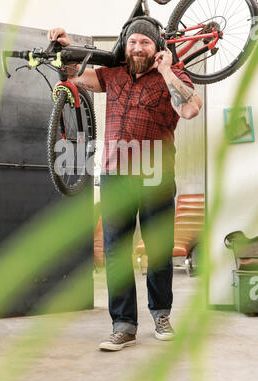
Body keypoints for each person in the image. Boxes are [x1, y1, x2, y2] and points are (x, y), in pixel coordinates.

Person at [48, 18, 202, 351]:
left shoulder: (171, 76)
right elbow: (74, 74)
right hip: (116, 175)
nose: (137, 48)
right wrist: (64, 45)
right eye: (133, 42)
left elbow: (190, 109)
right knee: (117, 254)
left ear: (157, 47)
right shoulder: (113, 75)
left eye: (145, 43)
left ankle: (161, 314)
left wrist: (167, 71)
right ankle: (123, 325)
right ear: (125, 45)